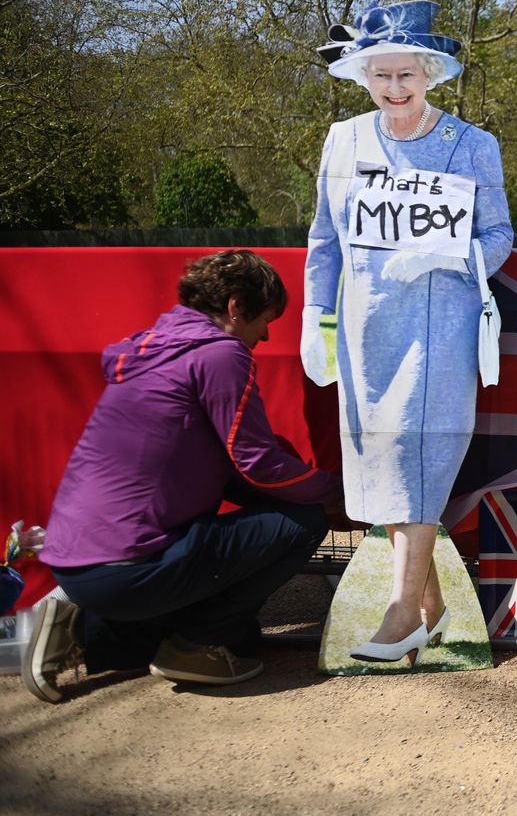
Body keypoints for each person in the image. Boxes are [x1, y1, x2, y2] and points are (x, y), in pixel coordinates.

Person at [22, 251, 344, 702]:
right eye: (265, 320)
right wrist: (338, 495)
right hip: (131, 568)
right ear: (236, 306)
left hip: (74, 562)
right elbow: (259, 464)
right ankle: (195, 648)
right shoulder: (220, 354)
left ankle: (83, 629)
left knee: (244, 630)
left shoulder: (155, 349)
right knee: (304, 522)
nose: (266, 335)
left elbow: (227, 467)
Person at [305, 0, 514, 664]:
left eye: (406, 75)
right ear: (364, 75)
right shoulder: (344, 140)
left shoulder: (473, 145)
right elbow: (324, 239)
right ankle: (430, 606)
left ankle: (401, 613)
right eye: (382, 76)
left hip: (440, 329)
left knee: (422, 454)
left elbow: (500, 233)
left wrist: (455, 255)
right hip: (367, 328)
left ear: (429, 72)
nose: (395, 89)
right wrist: (317, 313)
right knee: (384, 457)